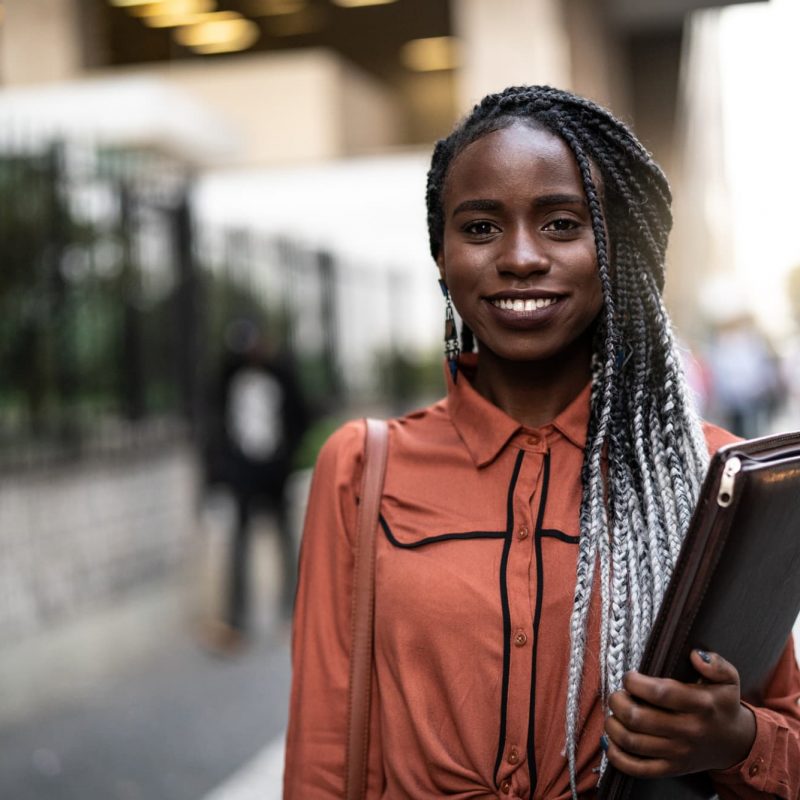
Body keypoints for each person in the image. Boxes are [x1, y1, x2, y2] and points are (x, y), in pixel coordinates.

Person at [284, 86, 800, 798]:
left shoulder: (711, 476)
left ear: (615, 251)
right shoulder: (362, 469)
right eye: (481, 227)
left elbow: (788, 737)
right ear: (442, 254)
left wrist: (734, 738)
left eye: (561, 224)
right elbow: (321, 748)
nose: (521, 257)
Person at [206, 319, 309, 650]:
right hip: (242, 470)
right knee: (239, 542)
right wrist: (223, 467)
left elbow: (301, 415)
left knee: (285, 538)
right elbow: (215, 424)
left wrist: (287, 456)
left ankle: (294, 611)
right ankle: (236, 620)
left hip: (275, 468)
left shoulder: (281, 374)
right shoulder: (228, 380)